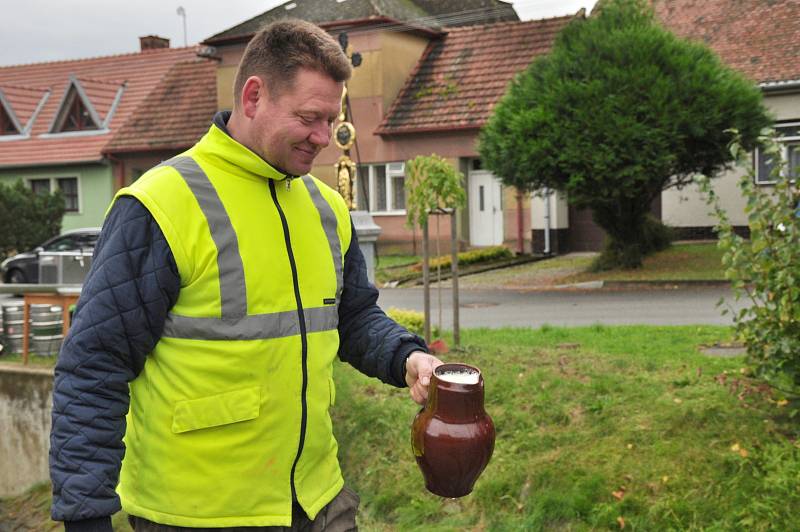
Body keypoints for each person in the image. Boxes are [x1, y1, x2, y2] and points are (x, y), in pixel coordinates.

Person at [50, 19, 442, 532]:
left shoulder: (326, 209)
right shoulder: (162, 203)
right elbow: (93, 367)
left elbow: (353, 316)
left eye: (332, 119)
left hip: (317, 501)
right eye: (309, 117)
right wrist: (85, 516)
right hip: (196, 515)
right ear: (254, 96)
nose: (325, 137)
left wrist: (405, 356)